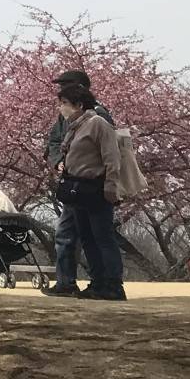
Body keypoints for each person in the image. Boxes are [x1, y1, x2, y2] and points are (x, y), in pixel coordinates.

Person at [43, 68, 116, 298]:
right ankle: (68, 282)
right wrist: (58, 163)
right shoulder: (65, 117)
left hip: (92, 186)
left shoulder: (98, 117)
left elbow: (110, 153)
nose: (60, 91)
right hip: (73, 186)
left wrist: (110, 185)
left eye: (65, 86)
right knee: (73, 235)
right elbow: (54, 142)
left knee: (97, 236)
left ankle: (108, 284)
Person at [55, 82, 126, 301]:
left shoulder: (97, 123)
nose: (61, 108)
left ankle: (113, 284)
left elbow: (112, 158)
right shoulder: (75, 126)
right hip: (77, 189)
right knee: (87, 237)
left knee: (102, 236)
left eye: (64, 104)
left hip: (95, 188)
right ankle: (97, 282)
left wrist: (111, 187)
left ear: (78, 104)